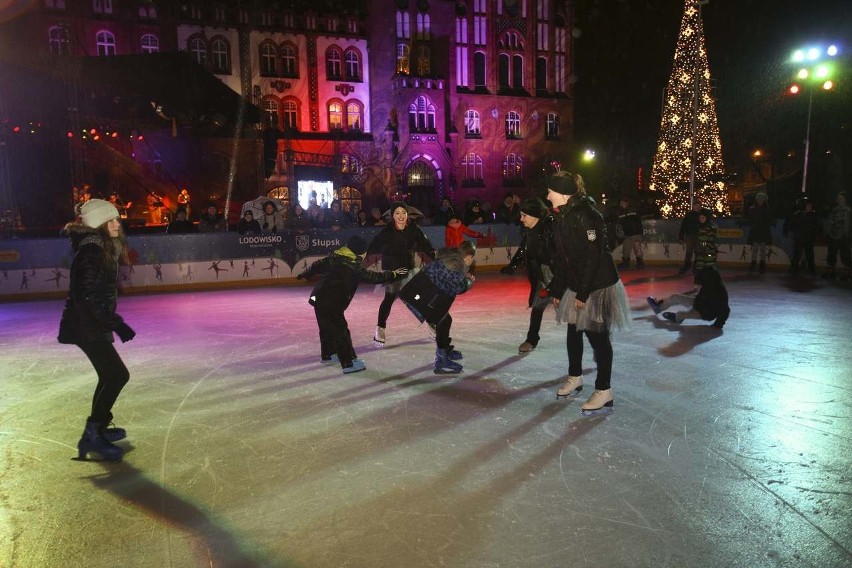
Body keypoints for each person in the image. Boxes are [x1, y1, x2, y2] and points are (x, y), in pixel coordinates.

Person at [546, 172, 630, 416]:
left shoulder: (586, 215)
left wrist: (582, 292)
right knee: (574, 332)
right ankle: (575, 377)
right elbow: (564, 258)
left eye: (550, 190)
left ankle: (604, 390)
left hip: (598, 284)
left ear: (562, 192)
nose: (547, 195)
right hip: (579, 284)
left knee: (597, 338)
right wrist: (558, 288)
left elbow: (594, 256)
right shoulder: (563, 216)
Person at [58, 199, 136, 462]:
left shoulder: (99, 247)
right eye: (110, 221)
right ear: (98, 225)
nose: (117, 224)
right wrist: (117, 323)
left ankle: (98, 429)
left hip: (90, 323)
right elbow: (87, 296)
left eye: (117, 219)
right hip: (86, 325)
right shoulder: (92, 250)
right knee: (117, 376)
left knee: (110, 375)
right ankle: (93, 434)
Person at [297, 236, 408, 374]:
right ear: (360, 252)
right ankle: (348, 363)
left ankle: (328, 355)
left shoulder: (334, 257)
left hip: (318, 298)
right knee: (341, 331)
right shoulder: (353, 267)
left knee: (326, 329)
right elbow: (373, 277)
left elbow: (316, 265)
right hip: (332, 303)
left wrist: (305, 274)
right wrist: (393, 274)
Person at [364, 201, 436, 346]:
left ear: (407, 214)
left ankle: (432, 324)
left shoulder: (414, 228)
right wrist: (362, 262)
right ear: (392, 216)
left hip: (408, 268)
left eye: (403, 212)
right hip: (392, 270)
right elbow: (374, 246)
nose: (401, 216)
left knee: (418, 298)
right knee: (389, 299)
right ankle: (380, 328)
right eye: (397, 213)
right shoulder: (387, 231)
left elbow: (425, 245)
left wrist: (434, 258)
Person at [401, 240, 476, 374]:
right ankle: (441, 360)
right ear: (468, 257)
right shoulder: (457, 266)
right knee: (444, 321)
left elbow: (446, 283)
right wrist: (469, 281)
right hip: (421, 298)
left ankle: (445, 350)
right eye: (472, 259)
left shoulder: (449, 257)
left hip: (417, 292)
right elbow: (458, 288)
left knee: (445, 320)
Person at [513, 198, 555, 354]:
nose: (521, 219)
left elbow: (558, 258)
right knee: (537, 307)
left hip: (557, 275)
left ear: (535, 215)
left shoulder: (549, 231)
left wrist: (553, 283)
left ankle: (596, 332)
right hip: (541, 276)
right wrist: (512, 266)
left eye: (524, 215)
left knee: (574, 309)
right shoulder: (529, 232)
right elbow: (524, 251)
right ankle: (532, 339)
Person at [647, 266, 730, 329]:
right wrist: (690, 299)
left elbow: (725, 309)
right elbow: (701, 297)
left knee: (684, 314)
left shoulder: (719, 292)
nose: (698, 282)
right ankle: (659, 307)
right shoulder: (708, 285)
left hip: (706, 313)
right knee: (675, 297)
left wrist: (719, 324)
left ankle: (677, 318)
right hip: (699, 303)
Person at [784, 197, 820, 276]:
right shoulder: (798, 215)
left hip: (808, 238)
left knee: (809, 255)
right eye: (808, 206)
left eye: (810, 206)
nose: (810, 207)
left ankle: (811, 270)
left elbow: (816, 226)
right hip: (799, 238)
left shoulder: (812, 215)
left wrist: (814, 234)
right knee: (797, 255)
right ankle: (795, 269)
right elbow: (791, 225)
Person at [822, 192, 851, 280]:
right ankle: (831, 271)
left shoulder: (847, 210)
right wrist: (828, 233)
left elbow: (848, 224)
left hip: (842, 236)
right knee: (831, 255)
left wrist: (846, 235)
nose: (839, 200)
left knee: (845, 255)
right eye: (838, 198)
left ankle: (848, 273)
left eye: (841, 198)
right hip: (833, 235)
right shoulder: (834, 210)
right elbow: (830, 222)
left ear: (845, 200)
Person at [746, 192, 773, 274]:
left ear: (764, 200)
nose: (760, 201)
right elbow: (749, 220)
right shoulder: (752, 209)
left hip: (763, 231)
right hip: (756, 231)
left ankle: (762, 264)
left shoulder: (767, 209)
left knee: (762, 249)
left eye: (761, 200)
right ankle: (754, 263)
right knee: (755, 248)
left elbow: (770, 221)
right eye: (758, 200)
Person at [616, 197, 644, 269]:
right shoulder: (621, 212)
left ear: (627, 203)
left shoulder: (632, 210)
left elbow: (635, 221)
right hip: (628, 234)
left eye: (623, 202)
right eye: (621, 203)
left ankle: (639, 262)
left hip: (635, 232)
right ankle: (627, 262)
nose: (621, 204)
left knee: (637, 248)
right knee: (626, 249)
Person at [678, 200, 702, 275]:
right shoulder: (689, 215)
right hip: (689, 235)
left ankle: (696, 266)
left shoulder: (702, 215)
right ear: (693, 206)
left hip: (698, 235)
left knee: (698, 251)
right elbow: (683, 225)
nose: (697, 207)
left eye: (698, 206)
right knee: (689, 251)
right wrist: (681, 237)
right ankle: (687, 265)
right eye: (695, 205)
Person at [694, 208, 719, 275]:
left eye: (703, 217)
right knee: (700, 270)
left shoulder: (711, 227)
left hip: (709, 252)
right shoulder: (700, 227)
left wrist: (706, 249)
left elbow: (711, 240)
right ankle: (700, 283)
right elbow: (699, 240)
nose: (701, 219)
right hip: (701, 253)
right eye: (700, 217)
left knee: (709, 268)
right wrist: (699, 248)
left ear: (707, 217)